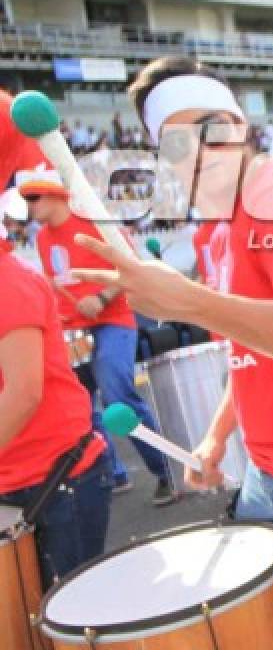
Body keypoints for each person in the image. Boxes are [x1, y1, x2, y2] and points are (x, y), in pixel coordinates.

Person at [74, 57, 273, 650]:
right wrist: (217, 436)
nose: (199, 148)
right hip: (267, 468)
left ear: (241, 126)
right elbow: (249, 350)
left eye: (211, 126)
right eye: (176, 139)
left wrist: (191, 302)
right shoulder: (223, 227)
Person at [17, 165, 175, 505]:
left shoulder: (94, 222)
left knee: (118, 395)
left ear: (55, 194)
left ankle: (167, 471)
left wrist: (102, 297)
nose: (28, 206)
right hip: (74, 331)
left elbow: (130, 269)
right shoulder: (42, 239)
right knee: (81, 408)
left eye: (33, 197)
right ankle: (110, 473)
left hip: (113, 320)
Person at [0, 189, 112, 588]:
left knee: (75, 620)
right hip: (17, 478)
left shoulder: (7, 283)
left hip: (58, 477)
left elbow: (23, 392)